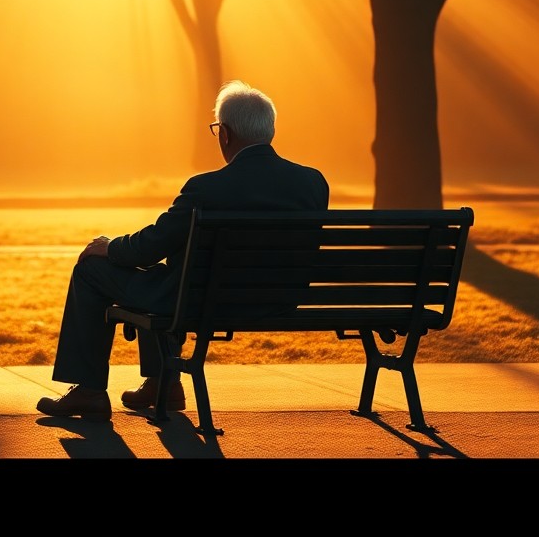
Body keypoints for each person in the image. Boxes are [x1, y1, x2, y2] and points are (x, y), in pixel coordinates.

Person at [37, 79, 330, 421]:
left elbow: (149, 249)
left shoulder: (206, 188)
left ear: (225, 134)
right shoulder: (312, 182)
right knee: (166, 279)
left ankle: (90, 391)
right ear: (270, 131)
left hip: (201, 299)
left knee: (92, 270)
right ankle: (163, 384)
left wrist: (110, 246)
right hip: (279, 300)